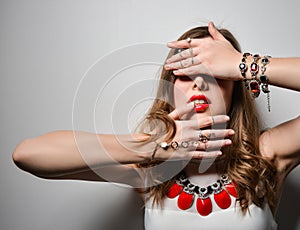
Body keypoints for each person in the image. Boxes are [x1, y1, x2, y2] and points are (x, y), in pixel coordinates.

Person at [12, 22, 300, 229]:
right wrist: (152, 147)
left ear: (235, 89)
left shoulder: (265, 154)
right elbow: (28, 155)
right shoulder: (150, 168)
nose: (200, 83)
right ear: (169, 88)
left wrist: (243, 63)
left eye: (214, 74)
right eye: (186, 74)